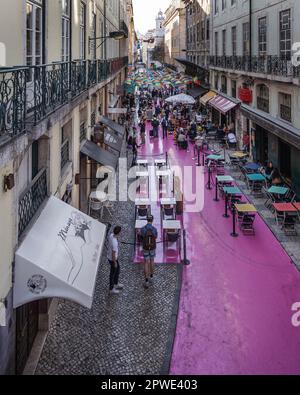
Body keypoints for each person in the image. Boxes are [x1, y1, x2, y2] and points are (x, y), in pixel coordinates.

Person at [141, 216, 158, 289]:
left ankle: (146, 280)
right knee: (152, 261)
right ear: (152, 220)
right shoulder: (154, 229)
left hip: (145, 247)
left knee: (146, 262)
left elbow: (141, 236)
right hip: (152, 247)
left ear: (146, 220)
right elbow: (156, 237)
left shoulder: (143, 229)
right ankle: (151, 276)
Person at [107, 226, 124, 295]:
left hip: (111, 257)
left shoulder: (111, 235)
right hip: (112, 259)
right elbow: (113, 253)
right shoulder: (114, 243)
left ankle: (116, 283)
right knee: (113, 273)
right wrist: (114, 262)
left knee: (117, 270)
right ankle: (111, 288)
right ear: (119, 232)